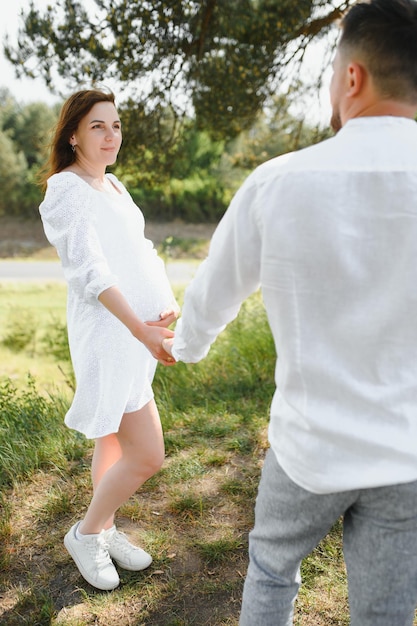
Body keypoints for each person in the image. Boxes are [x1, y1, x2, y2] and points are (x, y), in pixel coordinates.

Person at [163, 0, 417, 623]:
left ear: (351, 78)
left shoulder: (277, 182)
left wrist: (183, 345)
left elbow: (213, 293)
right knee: (385, 612)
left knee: (273, 570)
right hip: (409, 454)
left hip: (309, 448)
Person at [39, 89, 179, 591]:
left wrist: (165, 305)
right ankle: (87, 531)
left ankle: (106, 526)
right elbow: (90, 271)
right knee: (147, 453)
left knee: (113, 439)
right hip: (110, 333)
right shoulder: (66, 189)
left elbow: (140, 250)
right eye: (98, 126)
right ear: (73, 134)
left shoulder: (114, 186)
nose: (111, 135)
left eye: (116, 125)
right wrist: (139, 328)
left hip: (138, 331)